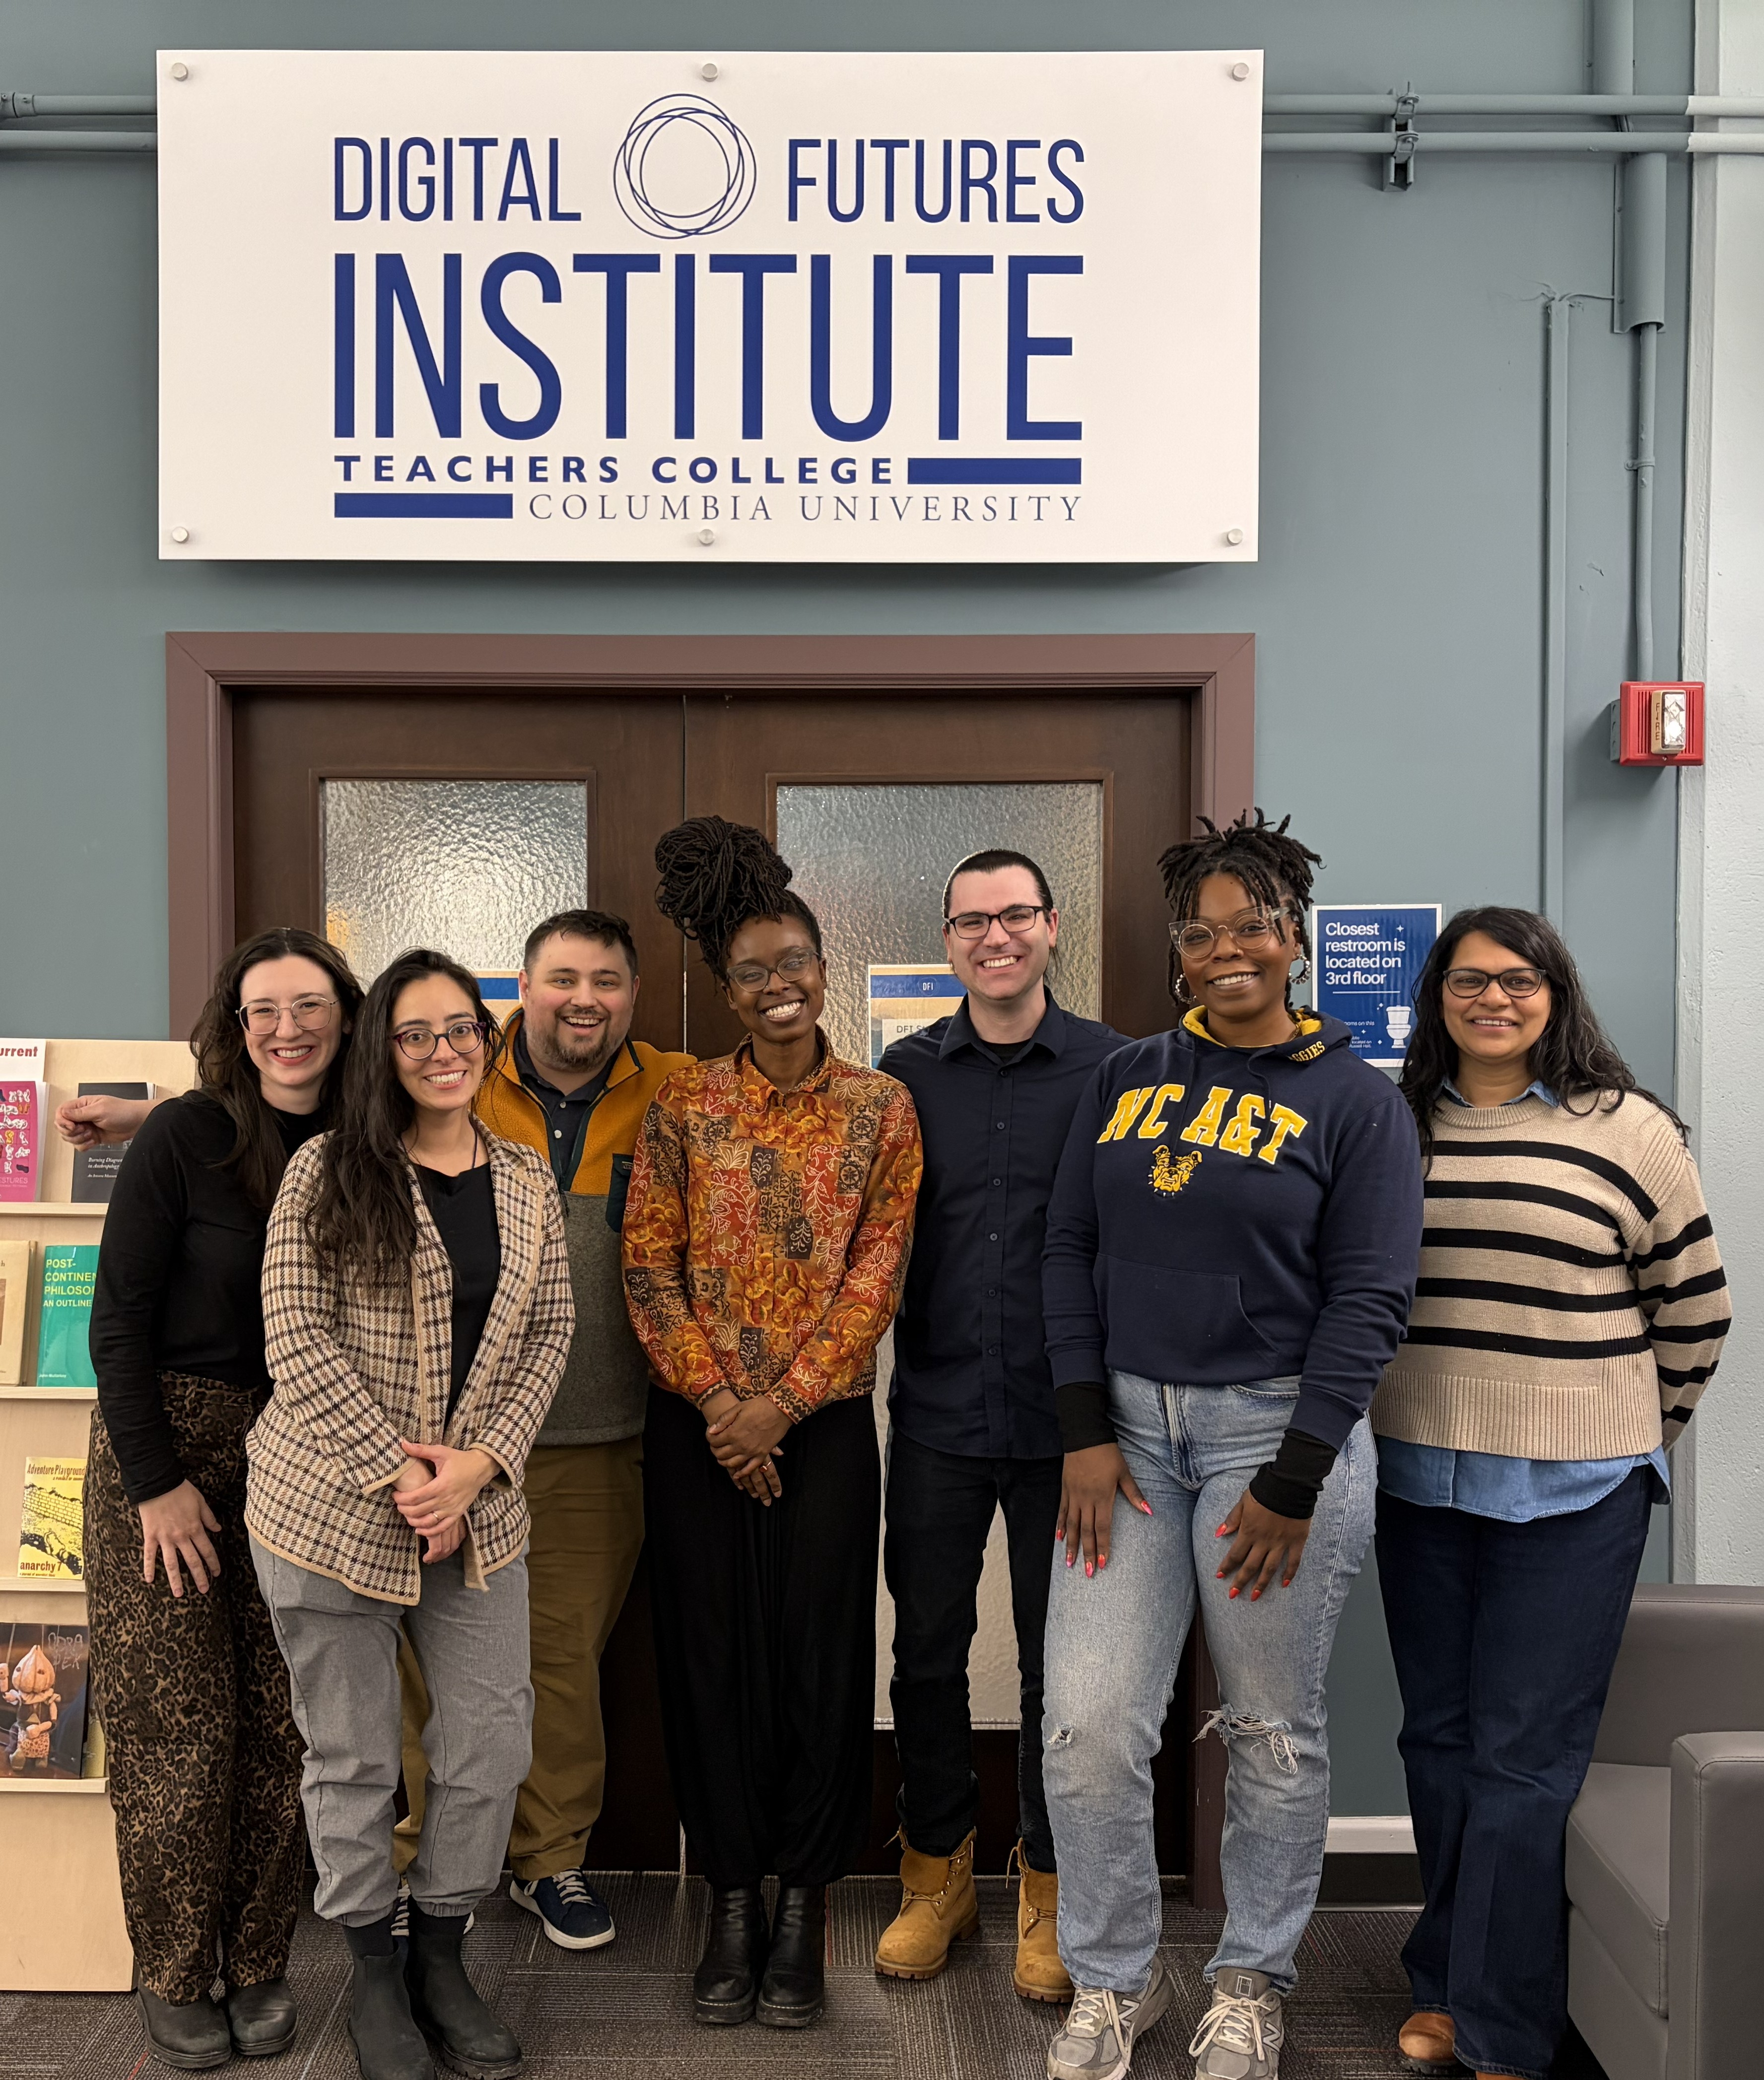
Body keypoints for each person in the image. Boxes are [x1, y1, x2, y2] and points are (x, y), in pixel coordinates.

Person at [1039, 810, 1424, 2080]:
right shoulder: (1124, 1076)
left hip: (1276, 1439)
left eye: (1253, 924)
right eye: (1201, 932)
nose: (1227, 949)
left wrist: (1298, 1472)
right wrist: (1084, 1426)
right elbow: (1069, 1250)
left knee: (1269, 1725)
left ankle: (1252, 1977)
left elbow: (1371, 1299)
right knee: (1087, 1724)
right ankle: (1112, 1977)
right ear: (1178, 954)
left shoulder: (1357, 1103)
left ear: (1294, 938)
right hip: (1127, 1446)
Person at [1372, 909, 1729, 2080]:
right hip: (1420, 1470)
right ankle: (1445, 1976)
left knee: (1524, 1757)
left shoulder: (1629, 1129)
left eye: (1516, 979)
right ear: (1435, 996)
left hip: (1578, 1488)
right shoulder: (1394, 1121)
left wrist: (1629, 1429)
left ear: (1553, 991)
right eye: (1467, 980)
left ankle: (1500, 2021)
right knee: (1439, 1739)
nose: (1492, 998)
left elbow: (1696, 1309)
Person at [249, 950, 572, 2080]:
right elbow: (294, 1336)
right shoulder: (330, 1169)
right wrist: (405, 1474)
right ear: (380, 1048)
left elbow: (548, 1331)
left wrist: (476, 1465)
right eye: (415, 1033)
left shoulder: (525, 1173)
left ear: (487, 1044)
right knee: (350, 1758)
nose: (443, 1052)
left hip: (476, 1509)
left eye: (461, 1031)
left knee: (490, 1739)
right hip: (328, 1507)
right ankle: (373, 1976)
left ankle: (442, 1950)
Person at [622, 817, 922, 2030]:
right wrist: (721, 1408)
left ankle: (806, 1905)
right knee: (707, 1664)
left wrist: (781, 1409)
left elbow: (879, 1268)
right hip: (696, 1433)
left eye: (795, 959)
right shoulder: (684, 1105)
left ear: (821, 963)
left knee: (818, 1663)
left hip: (827, 1429)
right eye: (752, 970)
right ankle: (731, 1899)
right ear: (725, 988)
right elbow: (645, 1263)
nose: (779, 983)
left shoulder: (881, 1106)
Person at [84, 926, 363, 2070]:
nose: (286, 1028)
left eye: (308, 1005)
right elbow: (117, 1323)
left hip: (305, 1456)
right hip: (169, 1453)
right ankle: (174, 1970)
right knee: (174, 1729)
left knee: (282, 1724)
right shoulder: (182, 1135)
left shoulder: (369, 1147)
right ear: (234, 1027)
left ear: (347, 1016)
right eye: (262, 1010)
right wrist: (157, 1486)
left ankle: (257, 1959)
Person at [393, 910, 690, 1950]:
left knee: (558, 1659)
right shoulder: (453, 1073)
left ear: (633, 994)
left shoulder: (676, 1086)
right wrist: (142, 1114)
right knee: (426, 1659)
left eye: (606, 980)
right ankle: (424, 1866)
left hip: (594, 1434)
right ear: (520, 985)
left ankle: (548, 1860)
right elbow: (296, 1120)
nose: (584, 998)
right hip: (440, 1441)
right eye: (562, 976)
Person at [875, 850, 1127, 2001]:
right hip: (932, 1410)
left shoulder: (1122, 1068)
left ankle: (1048, 1887)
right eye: (972, 920)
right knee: (923, 1650)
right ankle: (934, 1875)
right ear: (948, 940)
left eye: (1014, 914)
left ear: (1050, 926)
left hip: (1068, 1426)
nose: (995, 936)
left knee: (1057, 1665)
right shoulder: (905, 1075)